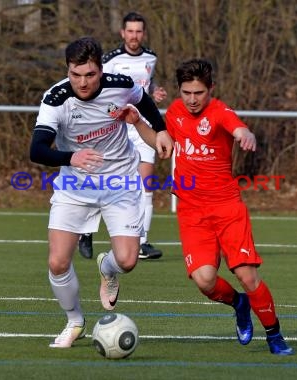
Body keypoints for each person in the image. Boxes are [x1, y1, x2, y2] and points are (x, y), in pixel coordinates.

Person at [29, 36, 173, 348]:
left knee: (128, 261)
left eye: (90, 75)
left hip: (120, 181)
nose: (82, 82)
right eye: (75, 74)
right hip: (75, 187)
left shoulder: (120, 84)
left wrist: (160, 129)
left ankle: (107, 268)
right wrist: (71, 157)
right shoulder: (56, 98)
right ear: (68, 70)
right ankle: (74, 321)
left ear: (101, 71)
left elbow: (144, 99)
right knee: (57, 263)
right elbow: (37, 150)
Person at [164, 58, 294, 355]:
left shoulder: (220, 111)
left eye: (199, 93)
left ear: (211, 88)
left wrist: (244, 134)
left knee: (247, 275)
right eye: (187, 93)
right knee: (205, 281)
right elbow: (163, 141)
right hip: (191, 210)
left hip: (226, 207)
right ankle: (239, 303)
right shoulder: (174, 112)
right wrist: (137, 124)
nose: (193, 100)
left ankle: (275, 335)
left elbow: (237, 128)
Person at [78, 11, 167, 261]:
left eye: (139, 31)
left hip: (142, 126)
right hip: (116, 127)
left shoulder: (152, 57)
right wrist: (114, 112)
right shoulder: (110, 60)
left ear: (144, 33)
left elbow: (147, 87)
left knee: (145, 184)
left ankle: (142, 242)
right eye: (130, 31)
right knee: (100, 178)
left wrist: (155, 92)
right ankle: (86, 230)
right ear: (122, 33)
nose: (134, 36)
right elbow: (99, 94)